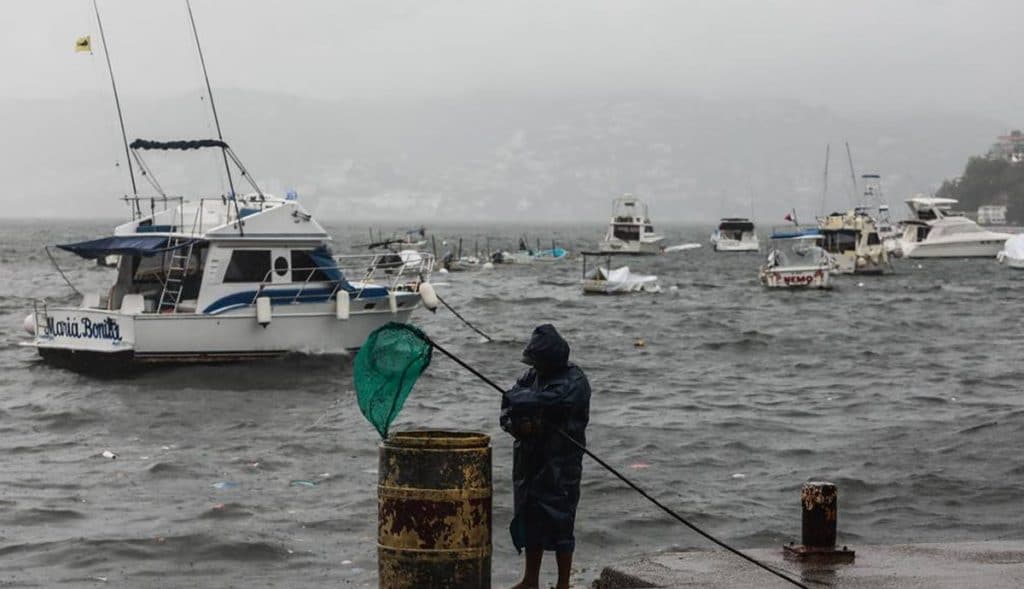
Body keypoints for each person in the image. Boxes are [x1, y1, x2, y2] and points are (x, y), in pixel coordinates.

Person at [500, 324, 591, 589]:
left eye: (539, 362)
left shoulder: (574, 382)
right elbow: (508, 405)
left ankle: (563, 583)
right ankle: (531, 580)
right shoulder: (531, 376)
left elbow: (543, 401)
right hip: (529, 462)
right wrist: (516, 425)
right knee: (530, 521)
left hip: (560, 465)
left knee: (561, 523)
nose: (535, 367)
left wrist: (521, 406)